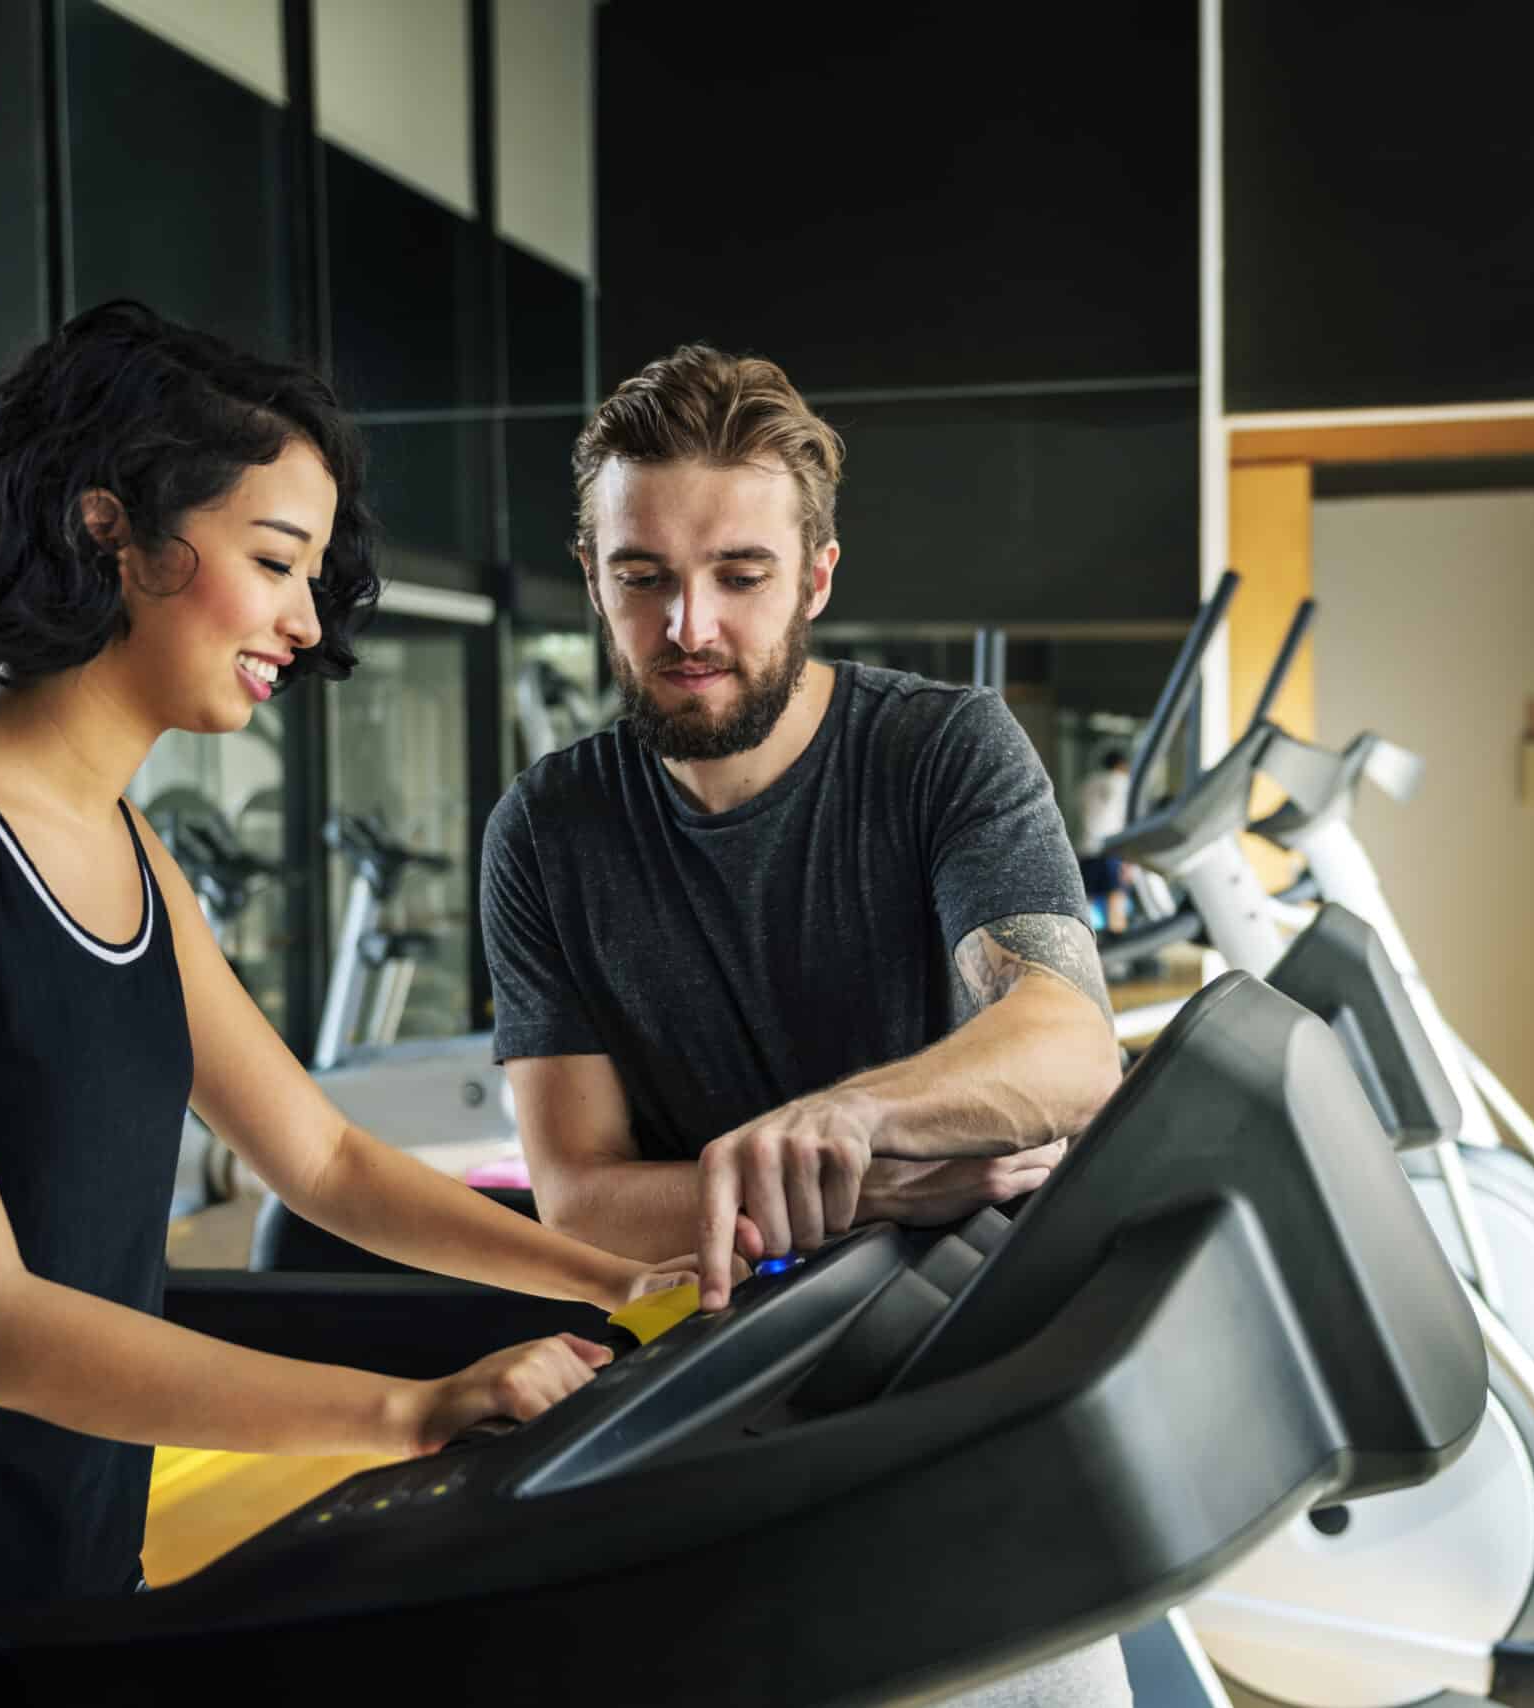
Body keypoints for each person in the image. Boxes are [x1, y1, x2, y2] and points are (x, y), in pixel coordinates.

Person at [0, 302, 686, 1608]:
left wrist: (627, 1283)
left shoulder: (134, 854)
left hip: (67, 1586)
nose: (306, 622)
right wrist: (412, 1414)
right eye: (275, 560)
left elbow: (323, 1161)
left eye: (314, 574)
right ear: (114, 531)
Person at [481, 345, 1131, 1705]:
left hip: (971, 1390)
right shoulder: (548, 831)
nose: (688, 626)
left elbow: (1069, 1045)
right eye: (641, 575)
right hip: (721, 1410)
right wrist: (877, 1188)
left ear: (818, 578)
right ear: (594, 577)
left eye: (740, 574)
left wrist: (846, 1119)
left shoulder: (945, 749)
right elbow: (578, 1200)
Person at [1075, 748, 1135, 935]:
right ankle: (1119, 949)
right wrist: (1130, 860)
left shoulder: (1087, 783)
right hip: (1111, 849)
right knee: (1116, 901)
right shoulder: (1122, 783)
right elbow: (1128, 820)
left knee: (1086, 904)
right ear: (1122, 765)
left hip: (1085, 848)